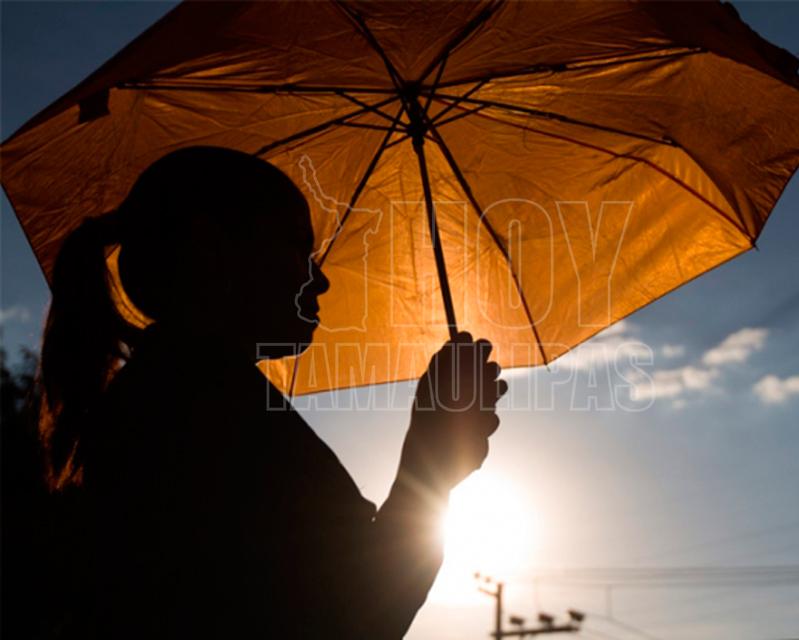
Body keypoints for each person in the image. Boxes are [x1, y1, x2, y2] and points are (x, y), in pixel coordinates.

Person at [37, 146, 506, 639]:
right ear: (211, 249)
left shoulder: (178, 395)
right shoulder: (202, 413)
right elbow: (353, 615)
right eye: (298, 250)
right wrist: (427, 468)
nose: (319, 279)